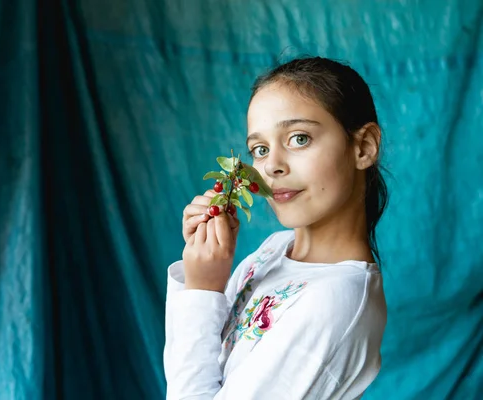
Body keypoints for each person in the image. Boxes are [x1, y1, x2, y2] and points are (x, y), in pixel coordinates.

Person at [163, 56, 389, 399]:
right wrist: (203, 273)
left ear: (364, 146)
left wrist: (202, 290)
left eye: (299, 138)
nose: (271, 166)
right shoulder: (274, 248)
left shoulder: (334, 301)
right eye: (260, 148)